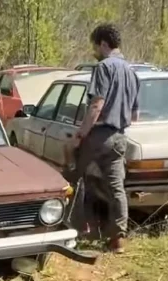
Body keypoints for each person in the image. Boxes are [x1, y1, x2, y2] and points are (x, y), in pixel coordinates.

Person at [70, 23, 139, 254]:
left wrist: (81, 135)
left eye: (95, 46)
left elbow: (96, 104)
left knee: (75, 177)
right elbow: (135, 114)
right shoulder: (131, 71)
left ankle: (78, 228)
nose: (94, 50)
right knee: (116, 187)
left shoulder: (103, 68)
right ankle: (118, 239)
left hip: (99, 134)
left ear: (103, 44)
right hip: (120, 135)